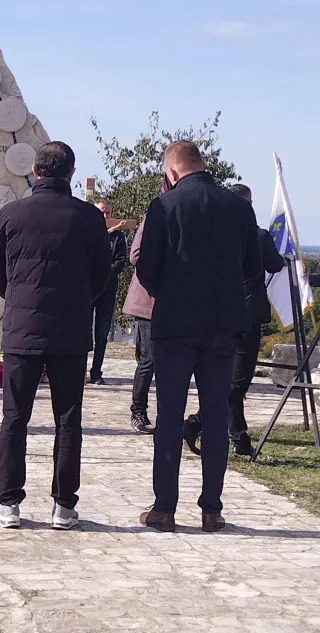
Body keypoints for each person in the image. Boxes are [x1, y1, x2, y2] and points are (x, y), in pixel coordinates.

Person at [136, 141, 262, 533]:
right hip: (223, 325)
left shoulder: (163, 205)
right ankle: (212, 509)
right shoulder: (239, 207)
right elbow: (252, 268)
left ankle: (164, 509)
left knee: (169, 416)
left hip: (174, 324)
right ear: (203, 164)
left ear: (172, 171)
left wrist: (168, 294)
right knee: (216, 415)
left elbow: (146, 266)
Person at [0, 141, 111, 530]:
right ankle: (64, 505)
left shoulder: (11, 214)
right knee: (68, 419)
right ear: (71, 173)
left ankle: (8, 503)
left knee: (14, 418)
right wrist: (79, 302)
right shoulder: (90, 218)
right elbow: (101, 276)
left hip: (22, 329)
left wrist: (21, 300)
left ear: (36, 170)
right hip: (71, 331)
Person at [184, 184, 285, 456]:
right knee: (238, 382)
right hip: (247, 315)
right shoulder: (258, 235)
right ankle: (196, 423)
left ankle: (239, 439)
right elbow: (274, 264)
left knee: (230, 377)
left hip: (218, 313)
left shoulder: (214, 234)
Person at [123, 217, 156, 434]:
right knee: (149, 359)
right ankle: (138, 411)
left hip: (175, 304)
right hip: (148, 302)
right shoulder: (153, 219)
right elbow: (135, 256)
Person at [90, 199, 127, 385]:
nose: (105, 216)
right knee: (82, 332)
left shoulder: (118, 236)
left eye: (108, 213)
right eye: (101, 212)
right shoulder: (87, 232)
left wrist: (105, 273)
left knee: (102, 334)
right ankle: (78, 371)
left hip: (107, 289)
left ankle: (96, 371)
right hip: (88, 290)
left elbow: (121, 261)